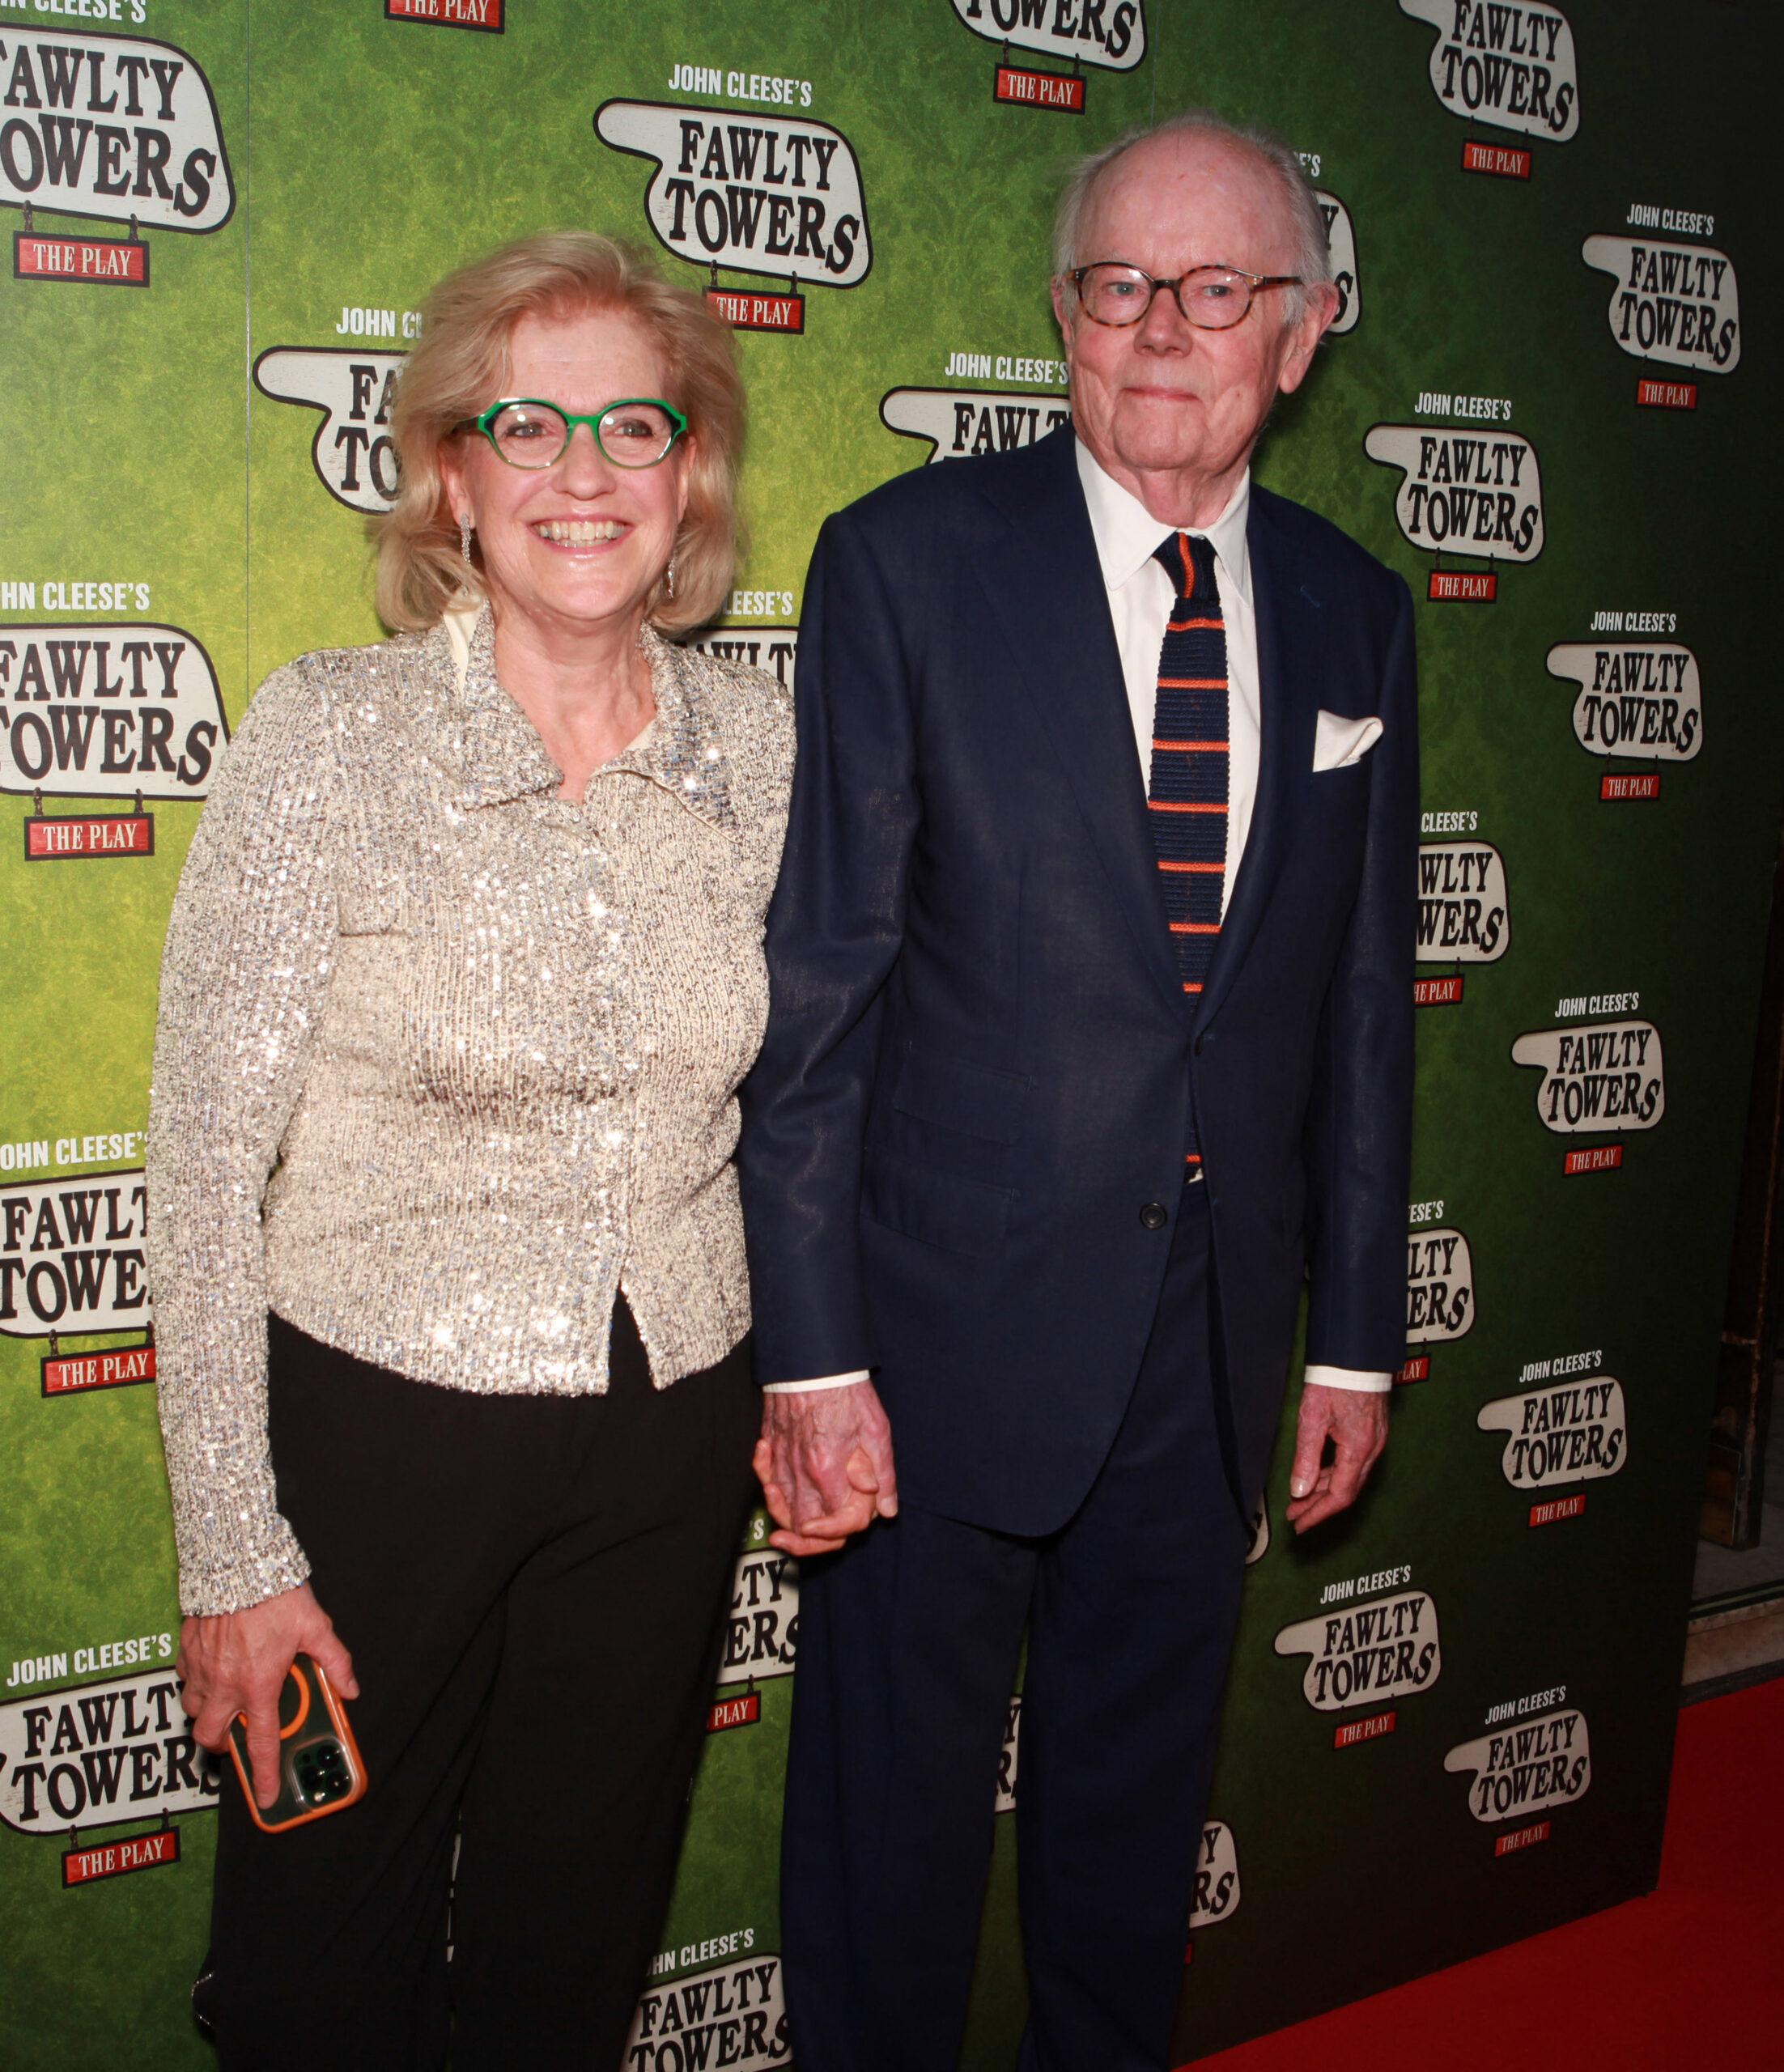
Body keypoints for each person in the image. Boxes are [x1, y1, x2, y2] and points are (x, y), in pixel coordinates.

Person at [739, 110, 1417, 2072]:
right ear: (1062, 315)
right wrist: (812, 1351)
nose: (1161, 330)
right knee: (887, 1861)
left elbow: (1363, 1002)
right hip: (928, 1350)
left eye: (1217, 291)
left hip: (1205, 1350)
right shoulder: (904, 564)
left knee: (1126, 1862)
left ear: (1299, 333)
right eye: (1118, 285)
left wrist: (1354, 1343)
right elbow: (823, 982)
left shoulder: (1356, 609)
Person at [147, 231, 790, 2070]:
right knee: (312, 1958)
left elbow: (813, 1110)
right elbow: (199, 1158)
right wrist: (230, 1547)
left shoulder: (772, 756)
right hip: (373, 1439)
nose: (583, 472)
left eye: (634, 425)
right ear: (452, 472)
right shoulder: (326, 738)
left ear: (690, 480)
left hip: (670, 1426)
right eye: (529, 423)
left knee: (569, 1948)